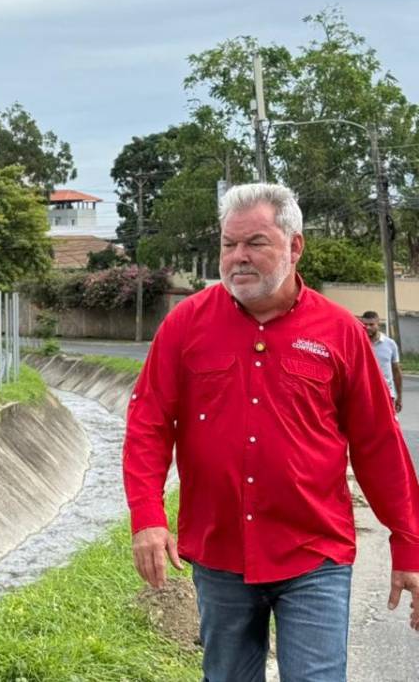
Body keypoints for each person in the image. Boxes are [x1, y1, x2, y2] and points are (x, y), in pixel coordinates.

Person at [123, 183, 419, 681]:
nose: (238, 257)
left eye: (255, 242)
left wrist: (408, 542)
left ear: (294, 245)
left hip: (314, 552)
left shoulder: (340, 332)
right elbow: (149, 422)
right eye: (228, 244)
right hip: (219, 554)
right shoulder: (185, 325)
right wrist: (147, 516)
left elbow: (377, 445)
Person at [360, 310, 404, 415]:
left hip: (386, 394)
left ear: (378, 324)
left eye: (371, 324)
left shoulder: (390, 344)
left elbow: (396, 371)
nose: (368, 327)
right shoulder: (358, 342)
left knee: (387, 427)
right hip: (364, 393)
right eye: (365, 324)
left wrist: (399, 397)